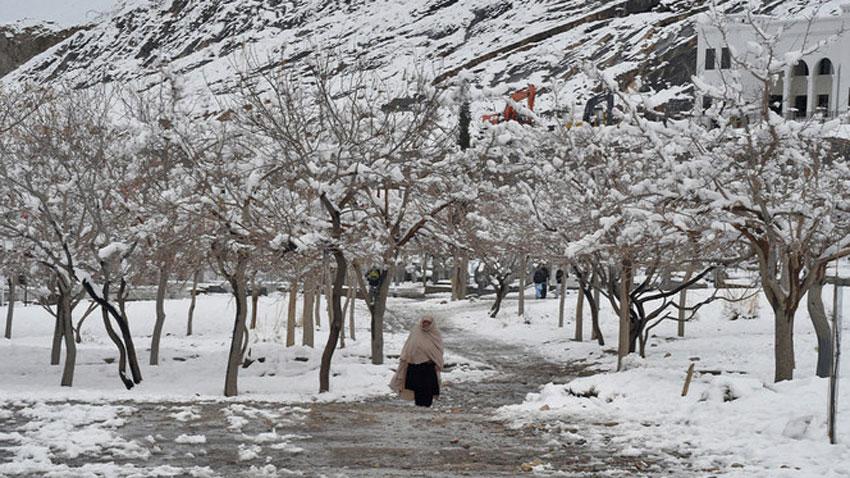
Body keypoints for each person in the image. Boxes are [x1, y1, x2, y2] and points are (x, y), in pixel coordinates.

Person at [389, 316, 444, 407]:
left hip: (428, 365)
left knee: (428, 387)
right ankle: (418, 403)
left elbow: (438, 349)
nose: (425, 324)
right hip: (414, 365)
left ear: (431, 324)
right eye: (424, 322)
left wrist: (436, 360)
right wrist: (406, 356)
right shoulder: (416, 331)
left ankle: (427, 404)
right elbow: (409, 344)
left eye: (428, 322)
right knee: (416, 386)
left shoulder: (435, 333)